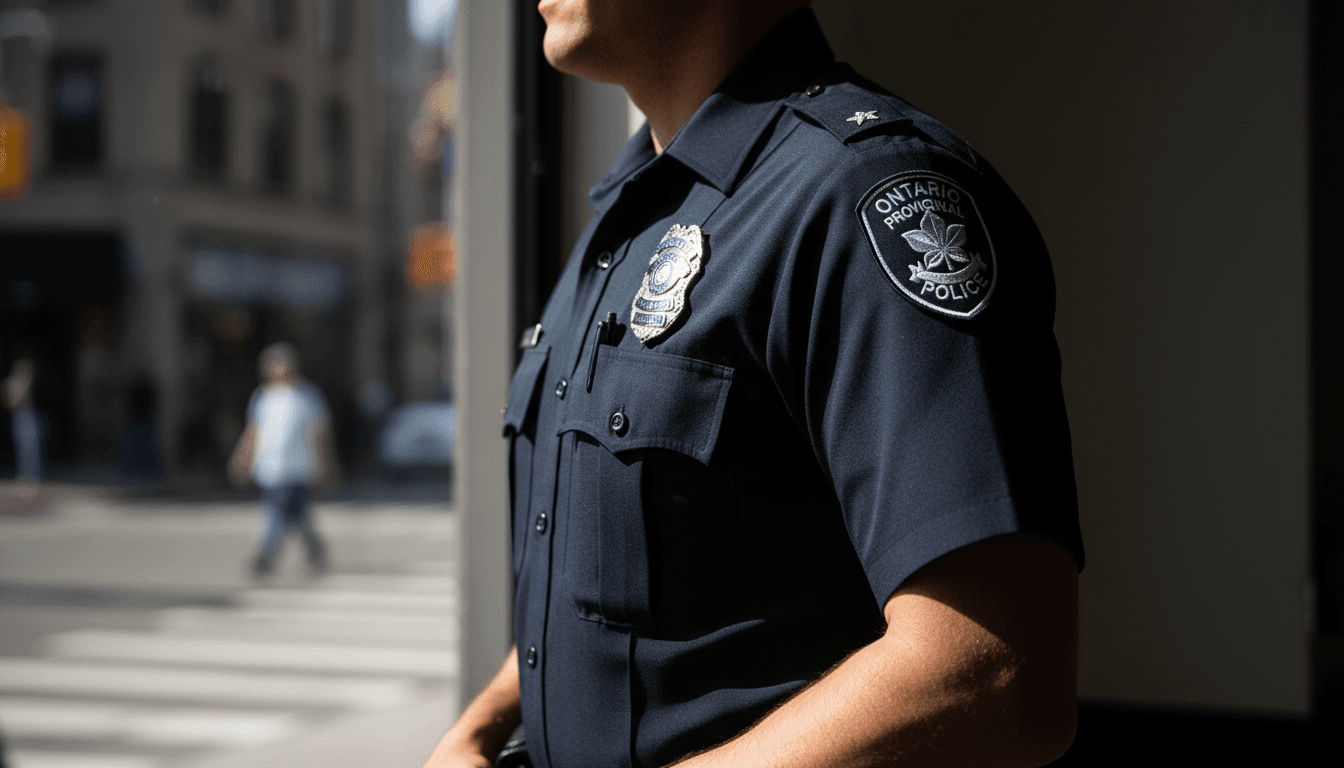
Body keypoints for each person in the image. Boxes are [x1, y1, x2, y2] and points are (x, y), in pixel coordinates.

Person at [425, 2, 1085, 766]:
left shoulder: (860, 189)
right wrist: (478, 729)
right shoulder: (633, 215)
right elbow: (593, 594)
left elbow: (993, 673)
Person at [229, 342, 336, 578]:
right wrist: (242, 457)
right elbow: (253, 431)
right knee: (297, 515)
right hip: (270, 467)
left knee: (279, 514)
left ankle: (266, 557)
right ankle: (314, 550)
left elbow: (320, 432)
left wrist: (325, 462)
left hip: (299, 468)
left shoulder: (307, 395)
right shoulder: (263, 397)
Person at [3, 353, 43, 502]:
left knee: (30, 449)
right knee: (26, 449)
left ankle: (30, 479)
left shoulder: (17, 383)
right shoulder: (15, 383)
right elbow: (12, 401)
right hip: (22, 416)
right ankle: (26, 479)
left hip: (25, 416)